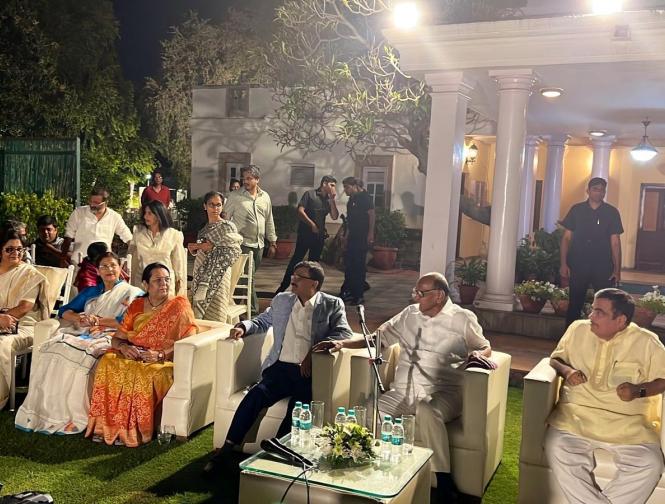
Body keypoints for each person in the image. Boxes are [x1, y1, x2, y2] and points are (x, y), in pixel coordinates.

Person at [316, 272, 491, 502]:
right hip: (403, 390)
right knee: (368, 410)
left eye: (421, 293)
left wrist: (479, 354)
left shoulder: (462, 318)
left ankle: (444, 481)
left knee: (427, 409)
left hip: (444, 392)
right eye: (415, 292)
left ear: (439, 296)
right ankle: (382, 468)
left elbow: (484, 346)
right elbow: (378, 339)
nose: (415, 297)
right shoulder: (409, 314)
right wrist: (341, 343)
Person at [202, 261, 352, 475]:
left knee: (298, 407)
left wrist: (313, 352)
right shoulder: (282, 300)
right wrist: (243, 327)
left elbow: (343, 333)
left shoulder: (331, 304)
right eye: (293, 275)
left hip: (307, 373)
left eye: (299, 277)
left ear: (314, 284)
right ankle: (225, 449)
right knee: (255, 396)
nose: (293, 279)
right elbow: (263, 321)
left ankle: (277, 454)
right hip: (279, 368)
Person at [546, 288, 665, 504]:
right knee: (557, 447)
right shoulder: (577, 329)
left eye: (599, 312)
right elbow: (555, 359)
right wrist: (568, 371)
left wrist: (638, 391)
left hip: (629, 425)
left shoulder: (647, 342)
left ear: (620, 320)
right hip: (575, 418)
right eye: (592, 309)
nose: (590, 316)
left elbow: (663, 380)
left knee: (650, 464)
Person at [15, 252, 143, 434]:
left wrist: (97, 320)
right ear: (97, 271)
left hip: (112, 335)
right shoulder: (92, 292)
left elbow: (127, 320)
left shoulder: (132, 293)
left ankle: (77, 414)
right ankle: (49, 411)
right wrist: (80, 319)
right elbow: (64, 311)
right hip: (86, 333)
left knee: (80, 354)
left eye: (113, 265)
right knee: (53, 349)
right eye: (104, 266)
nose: (109, 269)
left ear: (120, 268)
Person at [85, 263, 197, 447]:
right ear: (146, 284)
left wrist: (160, 355)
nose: (164, 284)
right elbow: (117, 338)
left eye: (167, 280)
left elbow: (188, 341)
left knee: (144, 373)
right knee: (107, 361)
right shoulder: (137, 305)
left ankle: (134, 431)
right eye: (158, 280)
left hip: (162, 360)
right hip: (135, 354)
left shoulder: (179, 306)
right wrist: (123, 348)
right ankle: (104, 427)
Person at [560, 177, 623, 328]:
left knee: (605, 304)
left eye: (602, 190)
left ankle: (602, 334)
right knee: (575, 303)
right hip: (578, 264)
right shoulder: (577, 210)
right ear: (588, 191)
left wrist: (617, 269)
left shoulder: (611, 212)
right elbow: (566, 238)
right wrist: (563, 264)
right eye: (595, 189)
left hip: (603, 266)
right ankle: (570, 336)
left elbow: (615, 242)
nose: (599, 193)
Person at [0, 228, 50, 410]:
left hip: (22, 326)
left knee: (1, 345)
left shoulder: (29, 274)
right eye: (9, 249)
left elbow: (24, 308)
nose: (16, 253)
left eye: (19, 249)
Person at [224, 165, 277, 315]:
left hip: (259, 245)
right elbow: (225, 219)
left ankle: (233, 305)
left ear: (257, 179)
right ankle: (253, 312)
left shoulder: (265, 197)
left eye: (249, 178)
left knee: (243, 279)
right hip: (242, 244)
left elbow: (269, 219)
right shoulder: (235, 196)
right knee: (249, 278)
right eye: (244, 178)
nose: (245, 181)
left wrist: (272, 241)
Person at [276, 176, 339, 293]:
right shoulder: (310, 194)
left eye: (334, 186)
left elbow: (335, 216)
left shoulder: (328, 200)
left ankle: (309, 290)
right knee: (296, 261)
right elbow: (300, 211)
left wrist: (332, 199)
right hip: (305, 234)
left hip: (318, 236)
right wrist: (312, 224)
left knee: (314, 265)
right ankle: (283, 287)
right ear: (324, 183)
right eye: (332, 185)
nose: (333, 188)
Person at [187, 192, 243, 321]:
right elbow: (202, 250)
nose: (215, 208)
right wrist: (195, 249)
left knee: (218, 306)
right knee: (198, 306)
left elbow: (234, 251)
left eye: (218, 205)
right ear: (205, 206)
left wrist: (209, 247)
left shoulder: (227, 227)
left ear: (222, 206)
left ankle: (218, 332)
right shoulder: (203, 229)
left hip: (220, 273)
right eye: (211, 205)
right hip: (201, 272)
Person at [130, 200, 186, 296]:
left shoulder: (173, 235)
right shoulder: (138, 233)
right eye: (145, 213)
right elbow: (133, 261)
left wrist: (181, 288)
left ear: (159, 214)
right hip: (143, 284)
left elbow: (179, 264)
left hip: (165, 285)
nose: (145, 216)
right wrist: (132, 286)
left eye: (149, 213)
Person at [62, 187, 132, 261]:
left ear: (106, 203)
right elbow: (68, 236)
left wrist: (132, 255)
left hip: (103, 262)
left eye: (96, 203)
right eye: (91, 201)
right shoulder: (78, 213)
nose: (92, 205)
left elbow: (128, 237)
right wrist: (63, 258)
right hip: (80, 261)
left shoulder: (114, 217)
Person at [340, 177, 375, 305]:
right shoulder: (351, 201)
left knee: (359, 265)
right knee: (349, 265)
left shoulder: (365, 197)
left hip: (362, 236)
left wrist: (370, 233)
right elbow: (350, 221)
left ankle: (359, 295)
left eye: (347, 187)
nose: (345, 190)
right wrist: (346, 236)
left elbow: (371, 215)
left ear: (355, 186)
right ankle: (349, 291)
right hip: (352, 237)